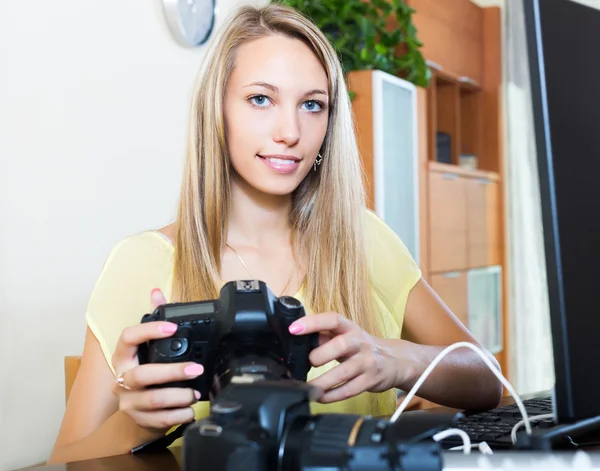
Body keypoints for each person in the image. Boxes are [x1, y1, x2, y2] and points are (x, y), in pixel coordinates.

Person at [48, 2, 502, 464]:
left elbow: (488, 378)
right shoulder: (142, 263)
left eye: (312, 105)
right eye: (261, 99)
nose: (291, 131)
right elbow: (63, 458)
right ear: (217, 111)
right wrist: (140, 422)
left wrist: (398, 360)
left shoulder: (362, 239)